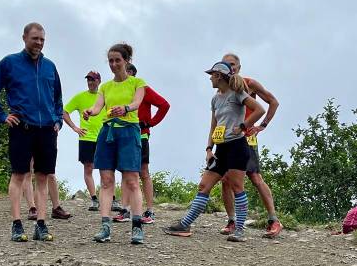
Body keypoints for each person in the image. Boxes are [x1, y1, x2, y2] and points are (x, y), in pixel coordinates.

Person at [166, 62, 264, 242]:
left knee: (237, 187)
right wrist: (209, 148)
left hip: (237, 146)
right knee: (204, 185)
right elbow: (214, 125)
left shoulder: (238, 94)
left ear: (219, 76)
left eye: (212, 74)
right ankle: (185, 224)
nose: (210, 78)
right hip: (221, 148)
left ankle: (239, 231)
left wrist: (243, 126)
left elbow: (260, 109)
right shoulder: (215, 98)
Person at [0, 23, 62, 242]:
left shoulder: (50, 66)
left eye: (42, 40)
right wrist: (2, 116)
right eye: (35, 38)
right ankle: (17, 224)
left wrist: (58, 121)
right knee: (19, 175)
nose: (38, 43)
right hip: (22, 127)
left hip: (47, 129)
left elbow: (57, 98)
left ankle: (41, 224)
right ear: (24, 38)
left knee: (43, 176)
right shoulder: (9, 63)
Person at [82, 43, 147, 244]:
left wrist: (126, 108)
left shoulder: (137, 83)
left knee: (131, 179)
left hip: (128, 132)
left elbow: (137, 103)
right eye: (110, 60)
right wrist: (90, 112)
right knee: (106, 180)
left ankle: (137, 227)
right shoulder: (105, 86)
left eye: (117, 60)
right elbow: (98, 106)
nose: (114, 64)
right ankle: (105, 226)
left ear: (127, 61)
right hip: (108, 132)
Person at [218, 53, 281, 238]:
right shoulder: (220, 88)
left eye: (232, 64)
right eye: (225, 64)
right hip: (227, 139)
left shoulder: (248, 83)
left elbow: (273, 102)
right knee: (225, 180)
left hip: (246, 137)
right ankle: (232, 221)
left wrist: (262, 125)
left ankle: (274, 220)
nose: (230, 67)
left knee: (255, 177)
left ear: (238, 67)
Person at [112, 62, 169, 224]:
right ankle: (125, 209)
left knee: (143, 171)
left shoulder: (142, 88)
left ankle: (150, 211)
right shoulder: (118, 89)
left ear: (131, 73)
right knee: (125, 171)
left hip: (140, 135)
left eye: (124, 70)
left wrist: (150, 123)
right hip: (123, 135)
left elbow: (164, 105)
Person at [63, 71, 105, 211]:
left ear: (99, 81)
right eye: (88, 80)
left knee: (105, 169)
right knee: (88, 168)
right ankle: (94, 199)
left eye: (93, 80)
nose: (90, 82)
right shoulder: (80, 97)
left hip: (102, 137)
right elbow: (64, 111)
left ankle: (109, 199)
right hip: (86, 137)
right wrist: (75, 127)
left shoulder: (104, 96)